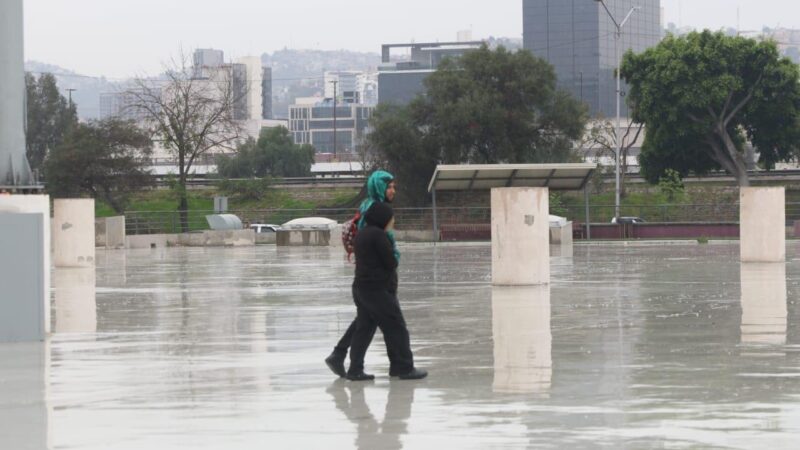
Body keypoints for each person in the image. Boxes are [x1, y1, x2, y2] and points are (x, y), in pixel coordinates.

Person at [325, 170, 398, 377]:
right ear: (379, 187)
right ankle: (399, 365)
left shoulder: (368, 206)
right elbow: (376, 245)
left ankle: (341, 357)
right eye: (389, 186)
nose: (393, 191)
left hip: (369, 278)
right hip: (375, 279)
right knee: (384, 322)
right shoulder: (375, 210)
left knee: (366, 320)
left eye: (393, 187)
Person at [346, 201, 426, 381]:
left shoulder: (362, 234)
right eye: (391, 217)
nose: (393, 221)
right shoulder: (379, 236)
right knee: (397, 327)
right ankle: (404, 367)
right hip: (377, 290)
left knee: (364, 328)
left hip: (361, 288)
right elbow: (391, 262)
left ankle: (355, 369)